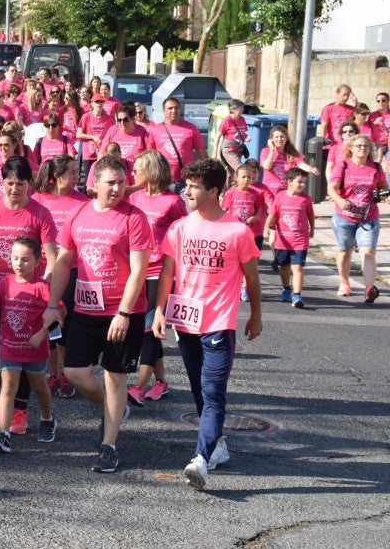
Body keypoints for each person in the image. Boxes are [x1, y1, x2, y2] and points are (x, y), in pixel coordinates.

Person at [152, 158, 262, 491]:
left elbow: (253, 279)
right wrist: (159, 311)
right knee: (201, 390)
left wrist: (256, 315)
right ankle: (218, 446)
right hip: (185, 323)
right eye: (186, 185)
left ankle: (200, 460)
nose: (186, 191)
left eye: (194, 186)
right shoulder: (180, 228)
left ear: (213, 191)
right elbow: (168, 274)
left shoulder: (237, 231)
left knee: (213, 392)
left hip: (219, 324)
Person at [43, 154, 152, 474]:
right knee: (75, 373)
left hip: (121, 311)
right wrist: (52, 304)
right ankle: (112, 410)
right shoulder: (79, 213)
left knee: (115, 377)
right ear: (94, 184)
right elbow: (63, 261)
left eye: (122, 181)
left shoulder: (134, 218)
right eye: (111, 182)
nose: (118, 188)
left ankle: (108, 446)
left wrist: (123, 313)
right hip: (85, 308)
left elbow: (139, 271)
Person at [0, 156, 58, 435]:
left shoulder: (40, 213)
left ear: (29, 184)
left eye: (20, 183)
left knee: (24, 350)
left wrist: (43, 289)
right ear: (0, 183)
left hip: (27, 293)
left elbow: (52, 257)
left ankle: (20, 408)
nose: (14, 189)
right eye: (9, 183)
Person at [0, 236, 57, 453]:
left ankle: (47, 419)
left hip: (34, 350)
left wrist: (41, 332)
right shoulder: (5, 283)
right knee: (7, 388)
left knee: (39, 388)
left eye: (25, 259)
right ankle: (4, 435)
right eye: (15, 258)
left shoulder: (42, 287)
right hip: (8, 347)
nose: (18, 263)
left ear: (37, 263)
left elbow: (58, 312)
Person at [125, 150, 187, 407]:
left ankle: (138, 386)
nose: (133, 173)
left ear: (150, 171)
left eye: (137, 169)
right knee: (147, 328)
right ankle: (161, 382)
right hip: (135, 271)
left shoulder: (173, 202)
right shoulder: (135, 197)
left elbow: (184, 237)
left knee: (149, 330)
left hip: (160, 274)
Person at [31, 155, 88, 399]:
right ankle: (52, 373)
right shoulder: (38, 200)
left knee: (64, 325)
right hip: (40, 272)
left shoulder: (83, 201)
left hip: (70, 271)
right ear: (56, 176)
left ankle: (66, 373)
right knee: (48, 326)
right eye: (72, 172)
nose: (77, 176)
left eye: (78, 171)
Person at [327, 134, 386, 302]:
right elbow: (331, 188)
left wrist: (381, 193)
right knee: (345, 252)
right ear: (351, 148)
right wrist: (339, 200)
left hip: (368, 216)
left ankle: (369, 288)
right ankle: (344, 282)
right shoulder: (343, 165)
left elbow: (382, 186)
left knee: (368, 253)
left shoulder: (375, 166)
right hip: (344, 217)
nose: (363, 149)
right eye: (359, 145)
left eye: (366, 146)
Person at [263, 167, 314, 308]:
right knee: (284, 267)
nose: (303, 185)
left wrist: (313, 228)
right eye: (299, 182)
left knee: (298, 268)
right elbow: (272, 214)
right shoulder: (280, 197)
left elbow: (310, 215)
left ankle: (297, 295)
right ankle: (286, 288)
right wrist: (267, 227)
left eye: (304, 182)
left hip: (300, 240)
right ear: (289, 182)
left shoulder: (306, 199)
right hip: (283, 240)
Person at [221, 163, 269, 300]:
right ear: (236, 178)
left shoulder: (256, 194)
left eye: (249, 177)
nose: (247, 180)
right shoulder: (230, 193)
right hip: (234, 234)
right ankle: (234, 286)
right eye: (244, 177)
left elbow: (259, 209)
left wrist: (255, 217)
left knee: (251, 262)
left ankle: (244, 287)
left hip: (251, 233)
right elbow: (223, 211)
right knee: (234, 262)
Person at [147, 97, 207, 189]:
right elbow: (150, 157)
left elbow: (202, 153)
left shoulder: (191, 128)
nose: (174, 110)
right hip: (164, 180)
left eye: (176, 108)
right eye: (170, 108)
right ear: (164, 111)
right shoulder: (155, 130)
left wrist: (209, 173)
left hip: (187, 180)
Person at [260, 125, 319, 197]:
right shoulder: (266, 151)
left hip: (285, 192)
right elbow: (267, 166)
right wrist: (272, 149)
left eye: (282, 137)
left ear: (286, 138)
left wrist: (311, 169)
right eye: (276, 137)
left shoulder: (292, 153)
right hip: (269, 192)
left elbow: (301, 164)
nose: (279, 139)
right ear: (271, 139)